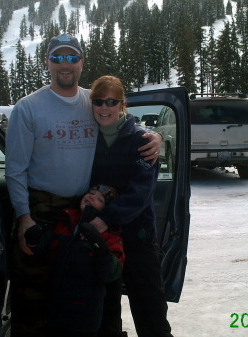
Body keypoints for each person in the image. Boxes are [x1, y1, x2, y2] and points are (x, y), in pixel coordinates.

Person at [5, 33, 161, 337]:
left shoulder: (92, 101)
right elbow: (15, 170)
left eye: (72, 58)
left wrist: (155, 137)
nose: (65, 64)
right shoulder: (28, 108)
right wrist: (24, 217)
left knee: (79, 300)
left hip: (82, 216)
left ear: (81, 62)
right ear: (47, 62)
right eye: (57, 58)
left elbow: (124, 122)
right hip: (41, 215)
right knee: (33, 302)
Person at [89, 75, 174, 337]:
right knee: (105, 309)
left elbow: (141, 192)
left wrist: (106, 217)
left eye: (112, 101)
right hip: (102, 238)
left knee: (150, 310)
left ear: (122, 104)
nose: (105, 108)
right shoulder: (86, 139)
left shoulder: (142, 140)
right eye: (99, 101)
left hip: (136, 236)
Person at [25, 184, 124, 337]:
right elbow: (46, 250)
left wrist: (99, 245)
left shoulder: (110, 236)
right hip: (55, 309)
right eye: (90, 193)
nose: (91, 197)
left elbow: (111, 273)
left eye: (100, 199)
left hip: (85, 316)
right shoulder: (65, 221)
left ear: (106, 210)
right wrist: (34, 239)